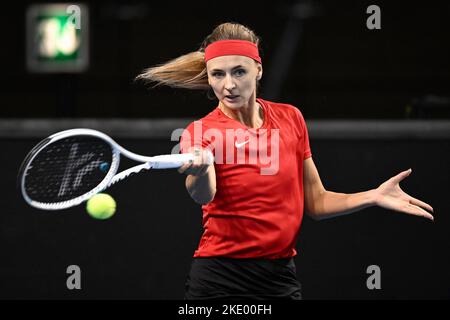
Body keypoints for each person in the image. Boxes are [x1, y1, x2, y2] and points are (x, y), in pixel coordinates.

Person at [137, 22, 434, 300]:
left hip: (280, 278)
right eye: (218, 74)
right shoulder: (200, 132)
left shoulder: (291, 117)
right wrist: (201, 169)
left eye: (239, 72)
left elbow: (316, 202)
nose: (228, 85)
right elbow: (204, 194)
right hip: (219, 279)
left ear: (258, 70)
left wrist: (372, 196)